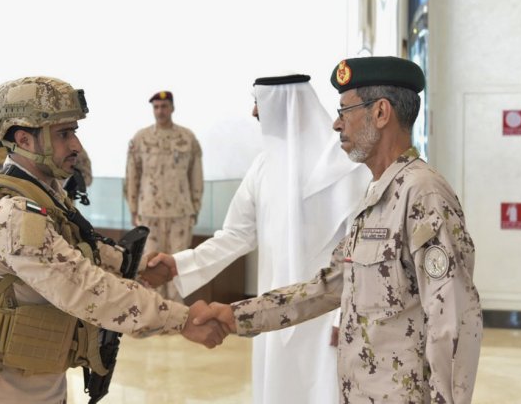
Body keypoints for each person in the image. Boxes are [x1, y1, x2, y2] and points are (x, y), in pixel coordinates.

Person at [196, 57, 483, 404]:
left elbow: (453, 318)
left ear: (380, 113)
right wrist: (235, 315)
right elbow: (329, 286)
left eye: (346, 111)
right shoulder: (377, 195)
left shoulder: (423, 194)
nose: (336, 124)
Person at [0, 76, 225, 403]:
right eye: (63, 134)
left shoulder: (43, 197)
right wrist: (181, 319)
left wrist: (139, 266)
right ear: (25, 139)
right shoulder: (13, 215)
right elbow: (88, 289)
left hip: (36, 380)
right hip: (0, 390)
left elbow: (80, 245)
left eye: (74, 132)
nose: (76, 146)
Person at [142, 74, 371, 404]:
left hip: (327, 314)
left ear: (285, 107)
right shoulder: (263, 166)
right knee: (278, 388)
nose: (253, 113)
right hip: (271, 308)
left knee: (325, 389)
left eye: (259, 103)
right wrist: (178, 264)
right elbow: (236, 234)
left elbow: (358, 255)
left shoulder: (348, 168)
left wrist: (343, 316)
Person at [124, 90, 203, 302]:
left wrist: (195, 206)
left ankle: (177, 314)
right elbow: (132, 175)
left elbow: (196, 174)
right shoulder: (141, 139)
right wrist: (133, 208)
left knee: (179, 263)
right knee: (151, 264)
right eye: (156, 107)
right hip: (149, 211)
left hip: (180, 211)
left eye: (164, 106)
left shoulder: (187, 138)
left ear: (172, 108)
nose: (160, 111)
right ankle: (156, 314)